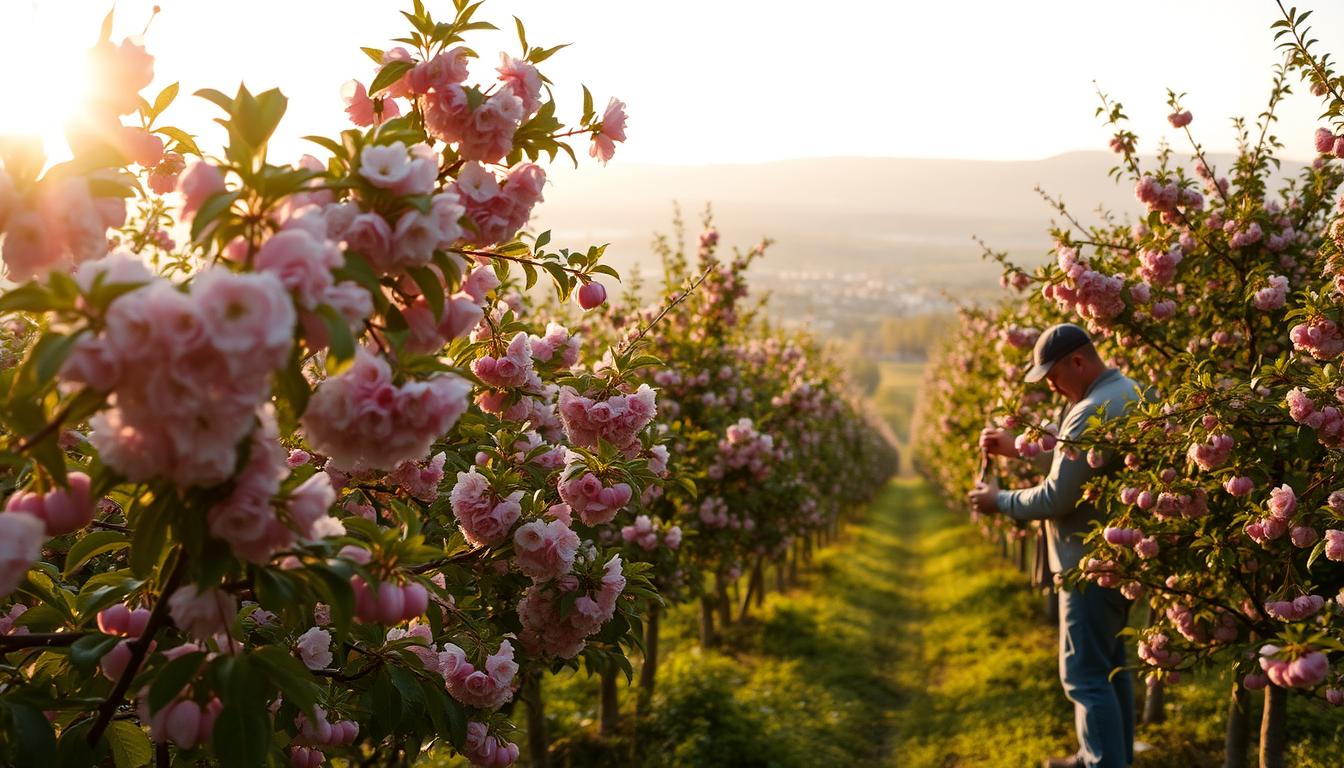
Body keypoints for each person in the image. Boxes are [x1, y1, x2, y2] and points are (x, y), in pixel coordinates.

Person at [967, 323, 1144, 768]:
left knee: (1084, 676)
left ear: (1078, 362)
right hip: (1119, 559)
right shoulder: (1127, 392)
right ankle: (1101, 757)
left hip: (1086, 563)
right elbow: (1084, 460)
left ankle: (1102, 762)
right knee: (1109, 667)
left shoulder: (1088, 410)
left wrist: (998, 501)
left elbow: (1056, 496)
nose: (1051, 385)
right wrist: (1020, 448)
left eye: (1052, 376)